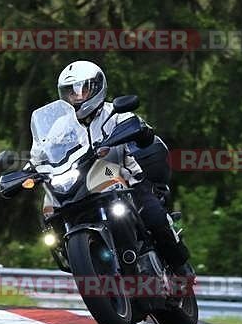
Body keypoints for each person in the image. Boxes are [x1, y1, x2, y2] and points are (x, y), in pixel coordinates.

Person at [56, 60, 195, 277]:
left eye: (81, 89)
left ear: (95, 88)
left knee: (154, 216)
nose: (76, 96)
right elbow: (43, 151)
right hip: (81, 185)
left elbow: (141, 129)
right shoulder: (61, 127)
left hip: (121, 177)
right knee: (54, 211)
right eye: (70, 92)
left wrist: (133, 132)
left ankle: (180, 267)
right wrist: (29, 168)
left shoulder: (115, 113)